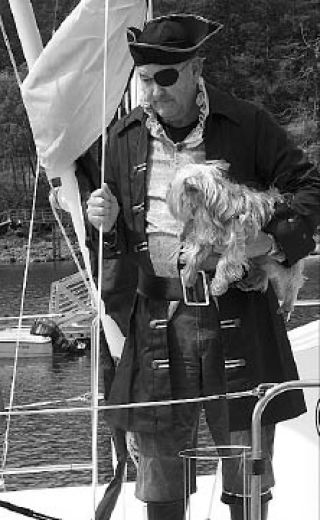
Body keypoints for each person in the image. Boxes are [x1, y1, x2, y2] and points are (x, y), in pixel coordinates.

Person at [86, 13, 320, 520]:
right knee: (160, 483)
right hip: (155, 325)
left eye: (165, 79)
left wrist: (268, 246)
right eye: (144, 80)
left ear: (196, 70)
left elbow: (310, 190)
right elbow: (115, 243)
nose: (153, 93)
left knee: (247, 479)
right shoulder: (121, 138)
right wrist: (101, 221)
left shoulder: (247, 123)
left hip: (237, 316)